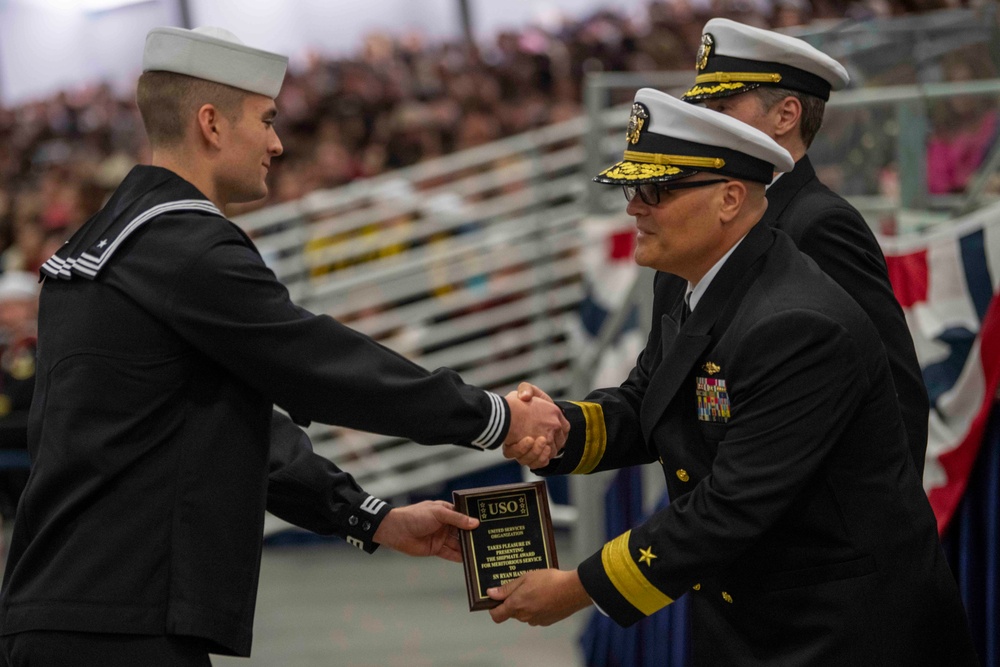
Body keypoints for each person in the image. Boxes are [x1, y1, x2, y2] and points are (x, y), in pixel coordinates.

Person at [0, 26, 568, 666]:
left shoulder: (101, 244)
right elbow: (323, 365)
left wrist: (368, 516)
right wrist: (496, 418)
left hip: (81, 610)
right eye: (266, 121)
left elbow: (220, 418)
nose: (276, 142)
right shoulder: (185, 245)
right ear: (211, 124)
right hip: (119, 625)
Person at [491, 87, 979, 666]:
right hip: (748, 610)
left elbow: (731, 504)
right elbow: (652, 397)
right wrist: (561, 429)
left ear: (728, 199)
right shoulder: (687, 277)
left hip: (839, 626)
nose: (634, 207)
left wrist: (579, 588)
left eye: (657, 189)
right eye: (632, 187)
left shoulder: (796, 322)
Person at [680, 18, 930, 476]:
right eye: (704, 108)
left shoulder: (819, 224)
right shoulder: (714, 219)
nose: (707, 123)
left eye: (724, 106)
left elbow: (895, 390)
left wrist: (872, 527)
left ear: (786, 115)